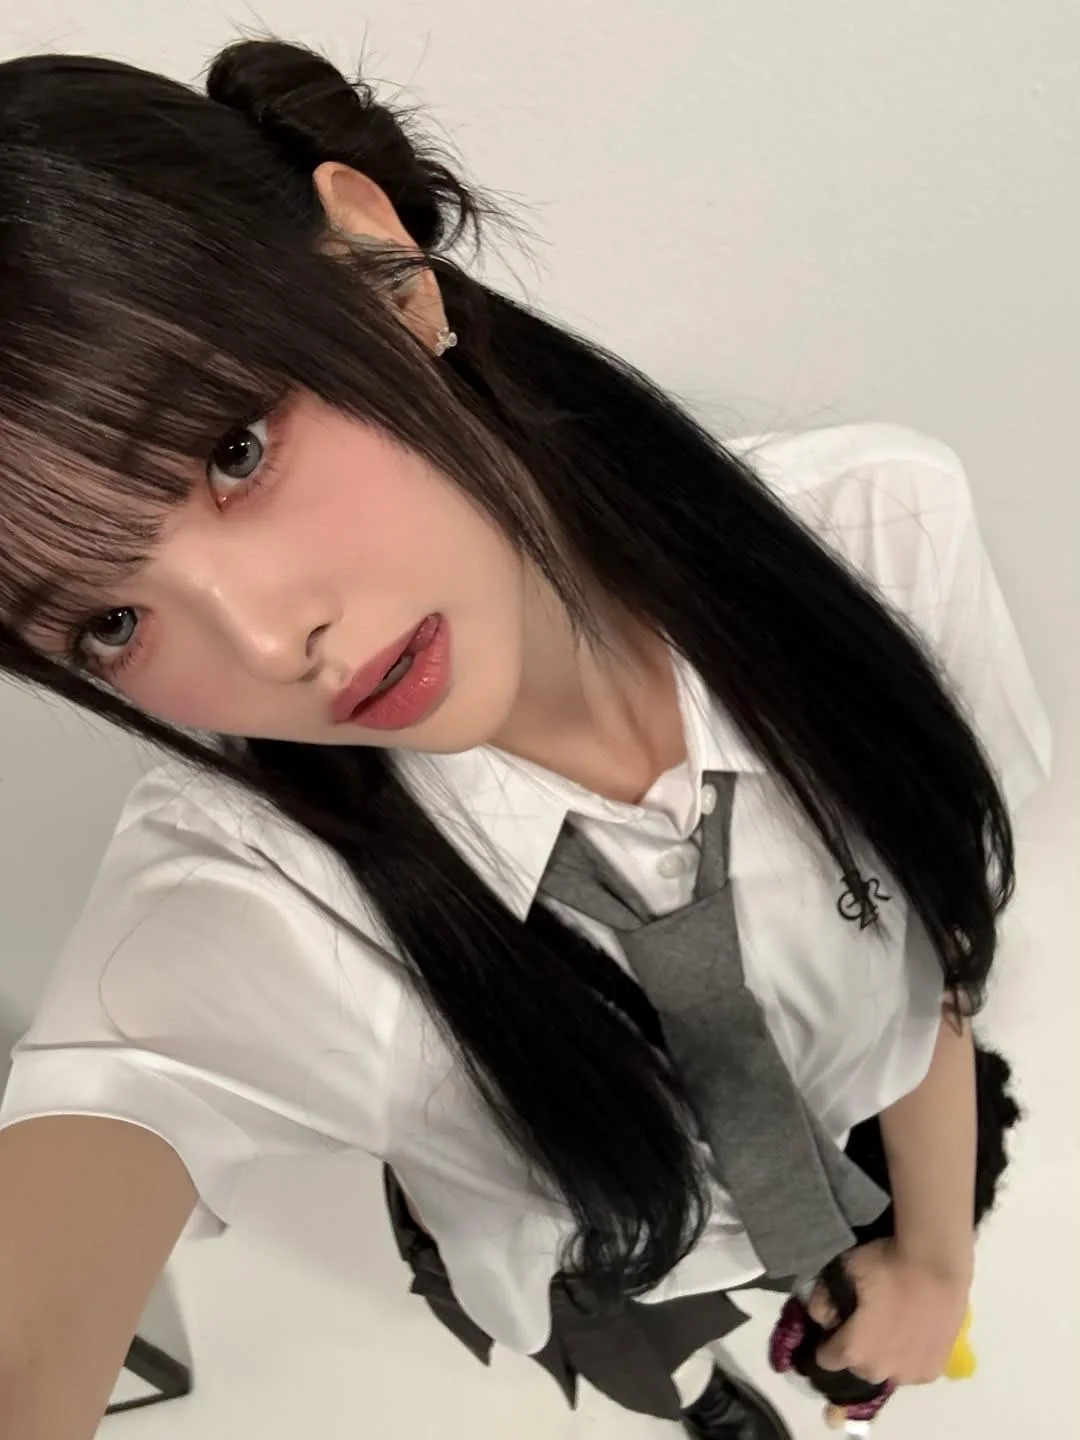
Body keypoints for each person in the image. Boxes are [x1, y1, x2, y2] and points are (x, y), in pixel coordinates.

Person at [0, 36, 1051, 1440]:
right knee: (664, 1370)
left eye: (233, 449)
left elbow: (936, 942)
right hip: (612, 1276)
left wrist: (936, 1260)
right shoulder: (257, 905)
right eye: (109, 623)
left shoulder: (879, 542)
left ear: (377, 261)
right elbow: (90, 1162)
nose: (266, 645)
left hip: (870, 1149)